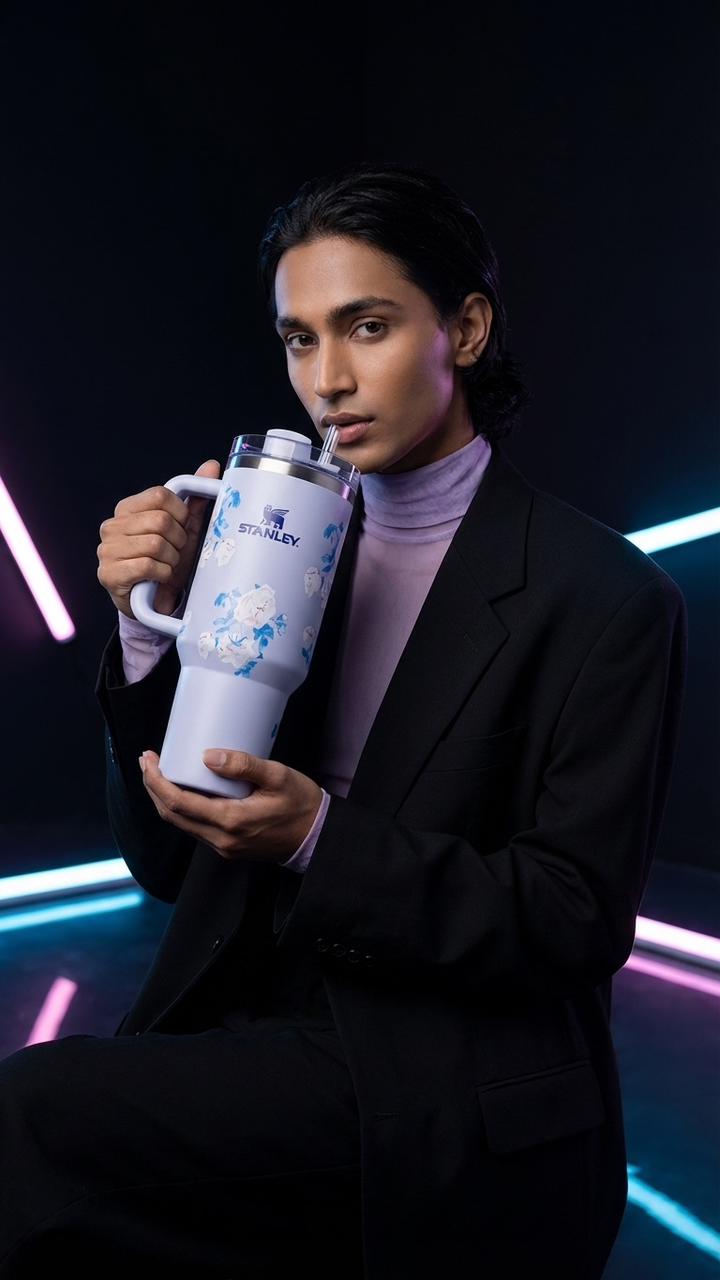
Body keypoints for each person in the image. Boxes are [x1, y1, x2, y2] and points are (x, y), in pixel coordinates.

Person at [0, 160, 688, 1278]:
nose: (327, 378)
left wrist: (320, 840)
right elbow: (166, 863)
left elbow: (571, 919)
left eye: (365, 325)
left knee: (29, 1118)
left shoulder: (603, 593)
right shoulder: (271, 539)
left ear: (464, 328)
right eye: (299, 338)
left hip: (446, 1077)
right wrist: (142, 624)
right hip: (239, 1023)